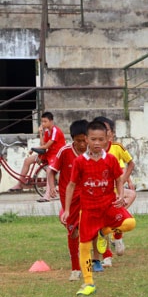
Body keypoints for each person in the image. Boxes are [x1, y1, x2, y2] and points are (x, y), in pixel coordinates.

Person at [61, 121, 136, 296]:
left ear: (106, 140)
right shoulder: (80, 162)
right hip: (88, 210)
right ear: (86, 139)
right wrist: (66, 209)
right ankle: (88, 283)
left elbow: (118, 177)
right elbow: (71, 185)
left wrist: (119, 193)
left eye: (100, 139)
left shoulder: (110, 159)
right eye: (93, 139)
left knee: (130, 223)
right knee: (85, 246)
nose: (96, 143)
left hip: (108, 206)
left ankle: (103, 232)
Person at [47, 119, 88, 281]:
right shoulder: (64, 152)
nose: (82, 144)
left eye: (84, 140)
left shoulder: (93, 152)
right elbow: (51, 171)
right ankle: (75, 268)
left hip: (87, 197)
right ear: (73, 140)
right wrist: (51, 187)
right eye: (78, 141)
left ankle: (90, 265)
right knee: (74, 233)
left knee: (87, 232)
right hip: (69, 200)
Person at [92, 116, 136, 269]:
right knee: (101, 224)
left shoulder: (116, 148)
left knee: (130, 199)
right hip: (99, 196)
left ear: (110, 133)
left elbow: (130, 164)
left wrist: (124, 180)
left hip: (115, 193)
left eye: (106, 131)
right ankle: (106, 257)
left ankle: (116, 234)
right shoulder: (91, 152)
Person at [10, 112, 66, 201]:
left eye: (45, 121)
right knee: (27, 160)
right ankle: (20, 184)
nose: (43, 124)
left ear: (51, 121)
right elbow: (43, 144)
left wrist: (33, 148)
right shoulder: (47, 131)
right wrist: (40, 133)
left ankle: (47, 195)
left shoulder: (55, 131)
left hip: (57, 155)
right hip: (49, 154)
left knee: (49, 171)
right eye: (42, 122)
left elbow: (46, 146)